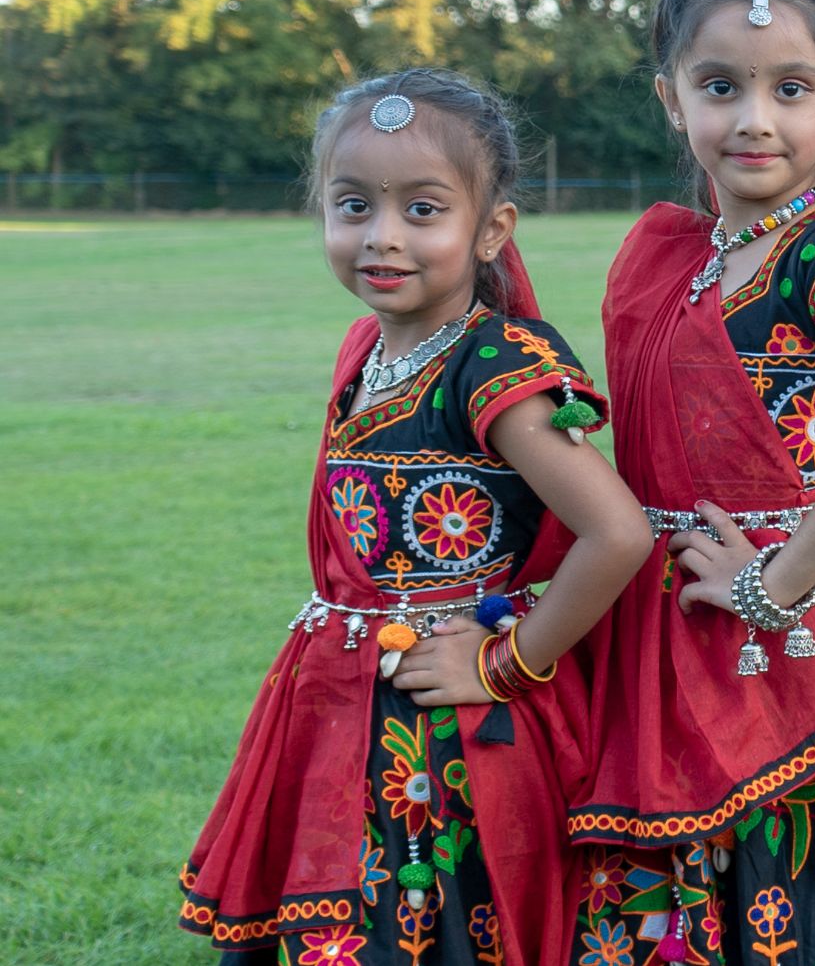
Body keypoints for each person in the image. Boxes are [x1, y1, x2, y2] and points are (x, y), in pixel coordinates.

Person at [181, 69, 654, 966]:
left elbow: (619, 531)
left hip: (450, 720)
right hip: (346, 694)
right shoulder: (365, 347)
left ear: (492, 230)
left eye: (423, 210)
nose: (382, 236)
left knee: (441, 919)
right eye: (353, 205)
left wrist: (509, 659)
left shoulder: (494, 366)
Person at [570, 0, 815, 966]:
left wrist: (776, 581)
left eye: (791, 89)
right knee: (678, 896)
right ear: (670, 98)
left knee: (800, 887)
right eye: (720, 86)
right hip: (670, 615)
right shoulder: (671, 256)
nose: (754, 119)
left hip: (791, 624)